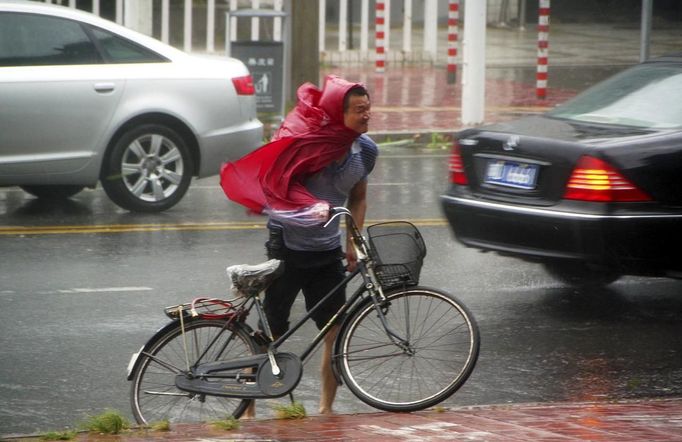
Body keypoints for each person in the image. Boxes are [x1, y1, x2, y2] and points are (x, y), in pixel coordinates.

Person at [221, 76, 377, 415]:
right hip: (288, 248)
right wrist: (307, 207)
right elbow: (277, 185)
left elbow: (359, 197)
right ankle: (247, 413)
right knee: (270, 333)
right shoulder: (308, 146)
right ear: (340, 113)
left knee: (334, 333)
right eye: (358, 111)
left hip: (327, 252)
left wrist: (353, 241)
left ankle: (325, 410)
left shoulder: (365, 151)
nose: (366, 116)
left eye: (369, 109)